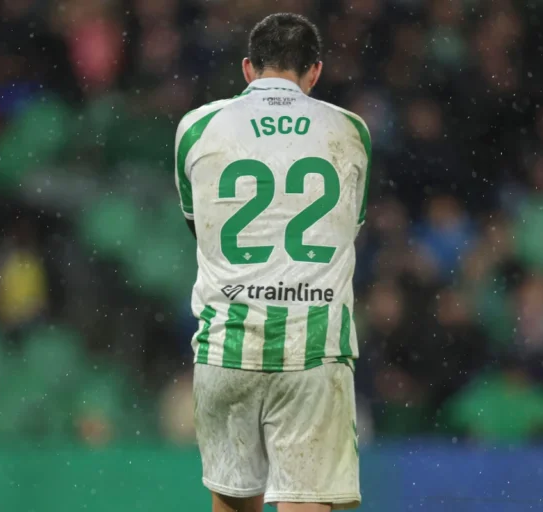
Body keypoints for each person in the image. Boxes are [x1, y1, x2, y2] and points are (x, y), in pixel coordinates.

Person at [174, 13, 370, 512]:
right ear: (315, 71)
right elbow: (347, 229)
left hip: (227, 342)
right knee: (306, 502)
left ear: (247, 68)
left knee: (234, 504)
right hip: (313, 346)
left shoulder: (196, 127)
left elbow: (199, 226)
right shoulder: (350, 131)